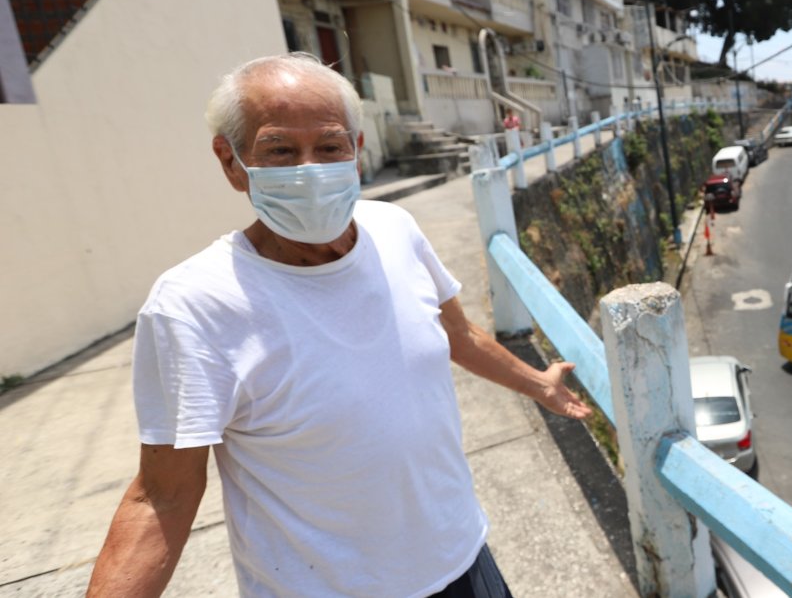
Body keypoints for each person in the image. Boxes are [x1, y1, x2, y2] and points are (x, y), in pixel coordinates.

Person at [86, 53, 591, 597]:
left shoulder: (396, 228)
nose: (309, 170)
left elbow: (457, 336)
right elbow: (163, 496)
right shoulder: (194, 305)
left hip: (462, 560)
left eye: (329, 147)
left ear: (357, 151)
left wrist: (538, 384)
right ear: (231, 162)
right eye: (279, 150)